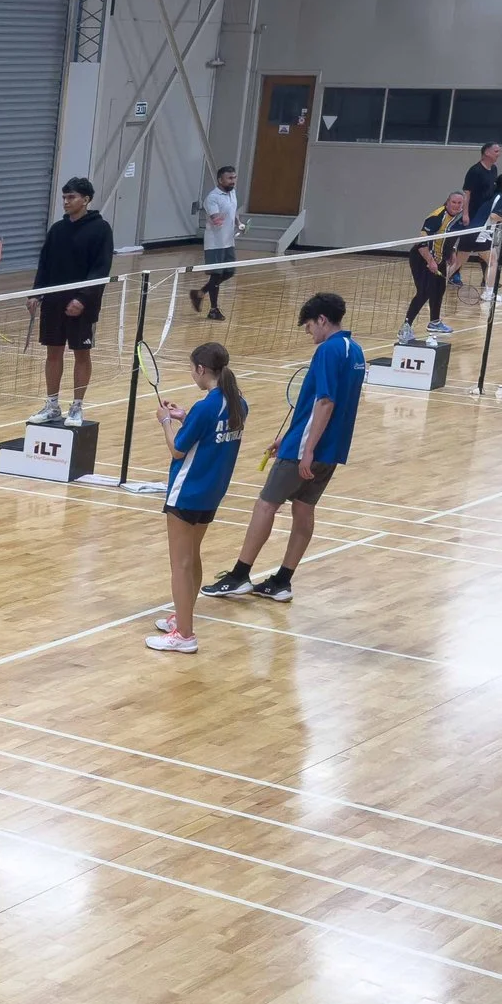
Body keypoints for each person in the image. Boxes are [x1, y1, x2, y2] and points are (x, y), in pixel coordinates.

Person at [204, 291, 364, 606]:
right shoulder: (355, 351)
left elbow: (326, 402)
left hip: (309, 448)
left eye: (309, 326)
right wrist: (289, 437)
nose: (309, 334)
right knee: (303, 508)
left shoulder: (328, 351)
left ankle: (239, 575)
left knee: (265, 505)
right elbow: (322, 405)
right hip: (330, 449)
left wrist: (305, 449)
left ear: (321, 320)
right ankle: (281, 582)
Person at [145, 342, 247, 656]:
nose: (192, 374)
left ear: (202, 370)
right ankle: (183, 615)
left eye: (192, 369)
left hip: (187, 491)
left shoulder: (206, 407)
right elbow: (209, 432)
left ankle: (184, 635)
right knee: (193, 554)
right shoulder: (237, 403)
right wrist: (183, 415)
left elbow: (177, 449)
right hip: (212, 492)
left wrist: (165, 421)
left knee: (180, 564)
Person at [32, 177, 114, 426]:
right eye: (65, 197)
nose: (66, 202)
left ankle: (77, 406)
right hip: (54, 303)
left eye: (72, 198)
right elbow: (44, 264)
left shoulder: (101, 229)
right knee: (53, 352)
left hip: (83, 306)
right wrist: (36, 293)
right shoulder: (57, 229)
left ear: (86, 200)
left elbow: (101, 270)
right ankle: (52, 404)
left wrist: (82, 299)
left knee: (81, 354)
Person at [402, 193, 469, 343]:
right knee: (424, 292)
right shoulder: (436, 216)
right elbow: (421, 242)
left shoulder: (458, 218)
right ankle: (406, 326)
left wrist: (451, 252)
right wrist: (430, 261)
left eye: (460, 203)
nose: (457, 205)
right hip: (421, 257)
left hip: (439, 258)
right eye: (454, 202)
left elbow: (449, 237)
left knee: (439, 289)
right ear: (447, 202)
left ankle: (434, 322)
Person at [191, 166, 239, 321]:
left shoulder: (232, 193)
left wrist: (239, 223)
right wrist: (222, 218)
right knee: (216, 275)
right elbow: (216, 220)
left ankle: (199, 293)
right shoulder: (212, 198)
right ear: (220, 180)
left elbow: (233, 211)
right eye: (230, 178)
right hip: (215, 243)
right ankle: (213, 309)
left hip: (228, 241)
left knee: (229, 272)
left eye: (234, 177)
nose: (233, 181)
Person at [461, 172, 502, 299]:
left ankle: (436, 284)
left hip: (472, 231)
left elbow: (491, 211)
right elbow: (494, 216)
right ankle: (489, 294)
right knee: (493, 262)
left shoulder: (497, 195)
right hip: (481, 233)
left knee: (457, 264)